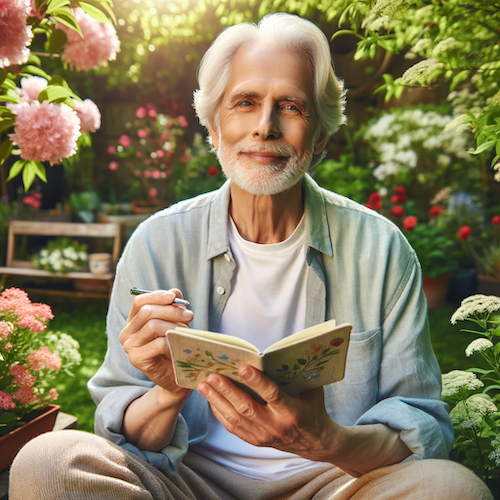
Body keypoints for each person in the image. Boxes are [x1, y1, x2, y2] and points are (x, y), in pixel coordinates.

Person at [10, 13, 493, 500]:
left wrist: (327, 439)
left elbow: (420, 433)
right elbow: (127, 435)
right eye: (245, 102)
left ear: (320, 135)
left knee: (453, 489)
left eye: (291, 106)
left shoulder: (382, 250)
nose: (265, 126)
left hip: (336, 483)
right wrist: (169, 390)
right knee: (47, 463)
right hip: (187, 481)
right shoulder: (157, 243)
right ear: (215, 127)